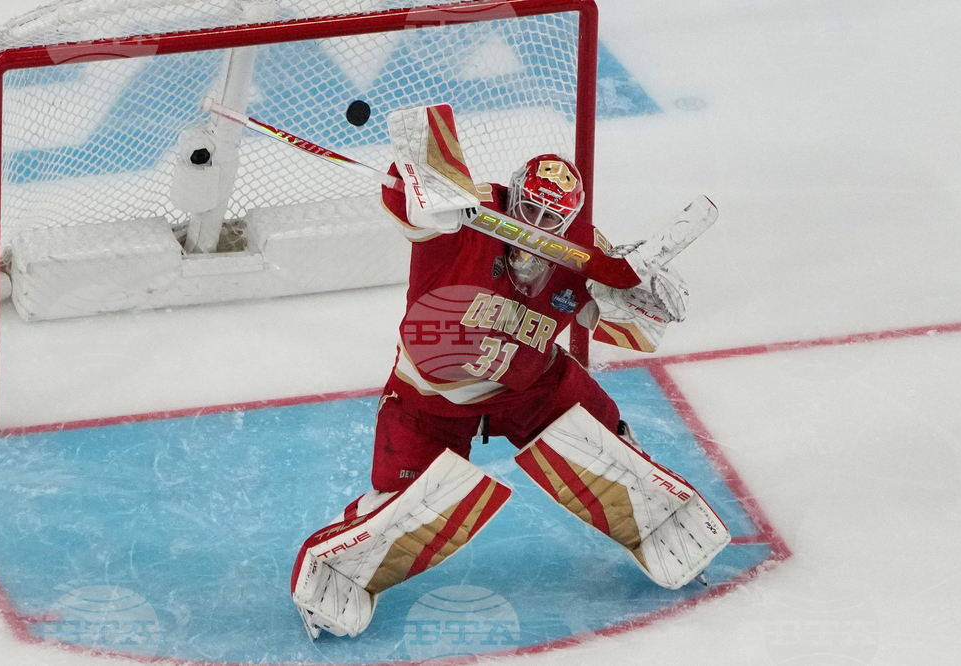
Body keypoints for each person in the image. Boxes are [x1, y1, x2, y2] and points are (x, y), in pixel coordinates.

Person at [290, 153, 720, 641]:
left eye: (550, 219)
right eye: (528, 209)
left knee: (605, 436)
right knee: (402, 507)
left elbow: (636, 334)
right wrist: (418, 188)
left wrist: (639, 302)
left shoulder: (583, 252)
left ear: (568, 223)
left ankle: (659, 521)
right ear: (512, 196)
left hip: (529, 386)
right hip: (431, 397)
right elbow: (399, 194)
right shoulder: (463, 215)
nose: (536, 225)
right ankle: (331, 572)